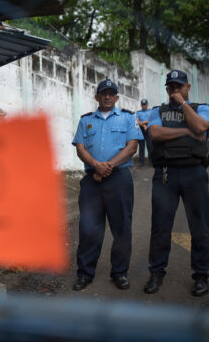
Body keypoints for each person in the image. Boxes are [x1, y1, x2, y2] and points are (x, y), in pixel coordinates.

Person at [144, 70, 209, 297]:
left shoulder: (201, 108)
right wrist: (185, 131)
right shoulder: (157, 111)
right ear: (166, 89)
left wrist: (182, 104)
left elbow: (201, 127)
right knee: (160, 227)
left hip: (195, 172)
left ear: (188, 87)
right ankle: (156, 273)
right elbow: (155, 133)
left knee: (200, 227)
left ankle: (202, 275)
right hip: (165, 173)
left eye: (178, 86)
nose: (174, 90)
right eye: (170, 87)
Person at [72, 79, 139, 291]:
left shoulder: (128, 118)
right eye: (104, 93)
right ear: (97, 97)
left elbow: (132, 148)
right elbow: (80, 148)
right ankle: (85, 273)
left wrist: (106, 167)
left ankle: (119, 273)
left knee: (121, 228)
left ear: (117, 97)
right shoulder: (86, 121)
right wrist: (95, 166)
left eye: (112, 93)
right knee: (89, 228)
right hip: (92, 181)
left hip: (119, 179)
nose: (108, 97)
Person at [136, 99, 153, 166]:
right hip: (141, 130)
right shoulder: (138, 112)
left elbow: (151, 120)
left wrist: (143, 123)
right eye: (142, 105)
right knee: (141, 146)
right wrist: (144, 125)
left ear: (147, 105)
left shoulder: (150, 111)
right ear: (141, 105)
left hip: (148, 129)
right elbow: (137, 122)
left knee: (150, 146)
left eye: (145, 105)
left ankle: (151, 161)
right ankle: (141, 162)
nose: (144, 106)